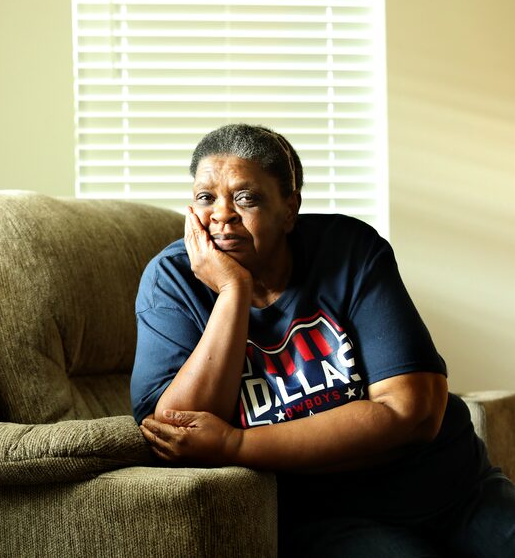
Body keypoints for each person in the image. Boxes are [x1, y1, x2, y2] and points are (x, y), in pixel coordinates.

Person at [130, 123, 515, 557]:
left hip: (455, 491)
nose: (222, 215)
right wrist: (233, 293)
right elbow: (176, 428)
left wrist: (235, 444)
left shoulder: (348, 251)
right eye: (205, 198)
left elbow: (414, 412)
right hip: (327, 517)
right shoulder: (172, 281)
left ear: (289, 210)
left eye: (246, 197)